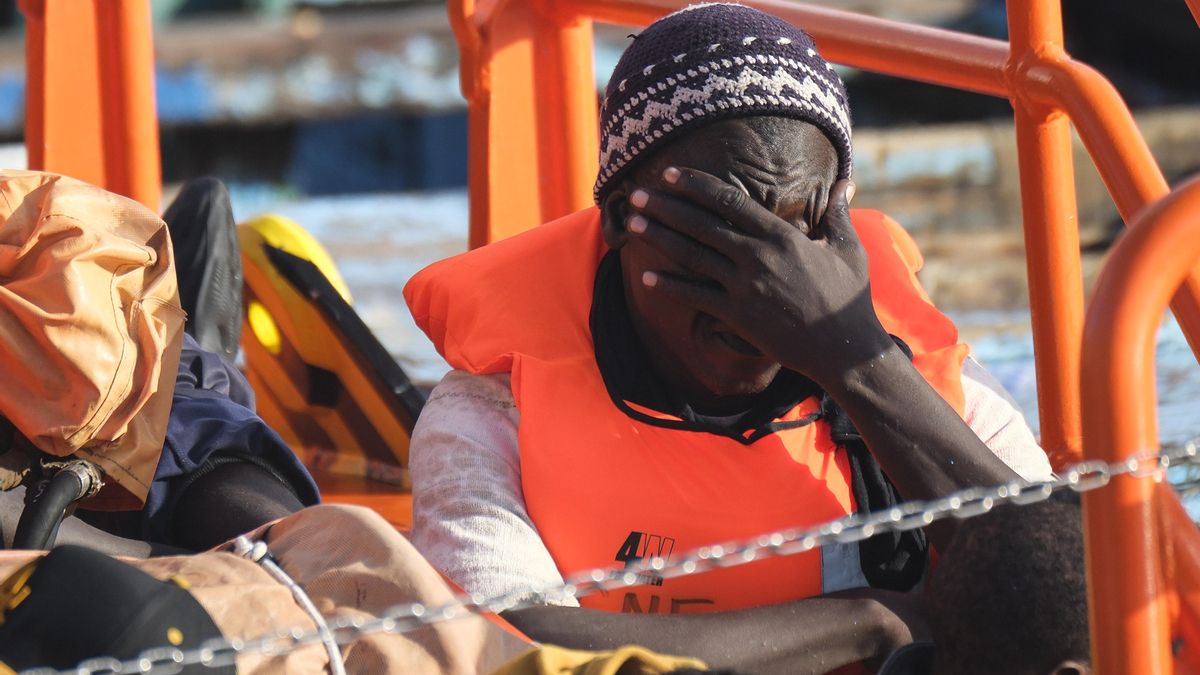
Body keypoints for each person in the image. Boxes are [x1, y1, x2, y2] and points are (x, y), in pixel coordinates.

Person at [404, 4, 1052, 672]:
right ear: (622, 216)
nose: (762, 291)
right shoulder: (491, 412)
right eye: (714, 235)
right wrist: (867, 622)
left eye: (793, 245)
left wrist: (853, 356)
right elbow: (506, 645)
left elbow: (1076, 612)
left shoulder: (924, 376)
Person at [0, 170, 318, 553]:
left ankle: (177, 332)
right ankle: (181, 331)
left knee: (289, 550)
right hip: (135, 406)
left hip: (149, 410)